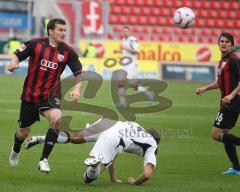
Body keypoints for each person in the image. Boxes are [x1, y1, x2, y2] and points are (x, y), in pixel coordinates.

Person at [7, 18, 83, 173]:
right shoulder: (35, 44)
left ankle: (44, 159)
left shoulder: (68, 51)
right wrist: (13, 63)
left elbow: (78, 73)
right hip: (30, 95)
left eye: (65, 30)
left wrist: (77, 89)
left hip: (50, 94)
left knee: (56, 119)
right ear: (50, 31)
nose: (63, 33)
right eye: (60, 30)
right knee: (23, 133)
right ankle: (16, 149)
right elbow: (17, 55)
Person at [24, 118, 160, 185]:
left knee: (75, 137)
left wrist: (113, 179)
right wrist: (134, 182)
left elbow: (115, 154)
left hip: (108, 123)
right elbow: (147, 174)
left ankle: (41, 138)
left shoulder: (136, 126)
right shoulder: (152, 145)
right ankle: (95, 164)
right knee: (87, 178)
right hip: (115, 138)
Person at [196, 32, 240, 175]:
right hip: (227, 101)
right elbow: (219, 82)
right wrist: (205, 88)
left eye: (227, 42)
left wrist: (231, 95)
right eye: (221, 41)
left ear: (232, 45)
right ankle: (236, 168)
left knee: (216, 134)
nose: (224, 43)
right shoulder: (222, 61)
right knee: (225, 133)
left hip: (234, 100)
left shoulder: (234, 59)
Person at [114, 26, 153, 107]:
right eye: (124, 31)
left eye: (127, 31)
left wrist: (127, 48)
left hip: (131, 64)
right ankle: (122, 102)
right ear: (122, 32)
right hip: (124, 63)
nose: (125, 33)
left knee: (132, 84)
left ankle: (149, 94)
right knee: (120, 82)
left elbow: (137, 52)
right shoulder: (123, 40)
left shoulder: (133, 40)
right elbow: (126, 51)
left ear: (129, 32)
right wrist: (119, 51)